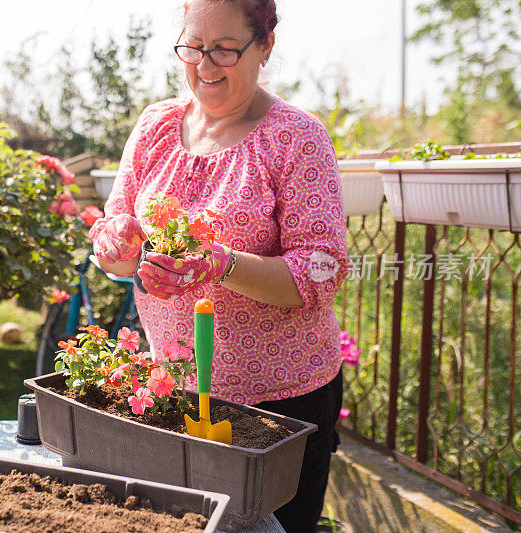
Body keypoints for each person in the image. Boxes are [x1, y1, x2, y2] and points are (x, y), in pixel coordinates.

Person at [89, 0, 349, 531]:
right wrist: (118, 250)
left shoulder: (298, 139)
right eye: (193, 47)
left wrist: (223, 264)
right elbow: (115, 225)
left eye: (226, 49)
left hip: (280, 408)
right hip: (177, 388)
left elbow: (320, 270)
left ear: (265, 46)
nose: (205, 66)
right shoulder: (156, 125)